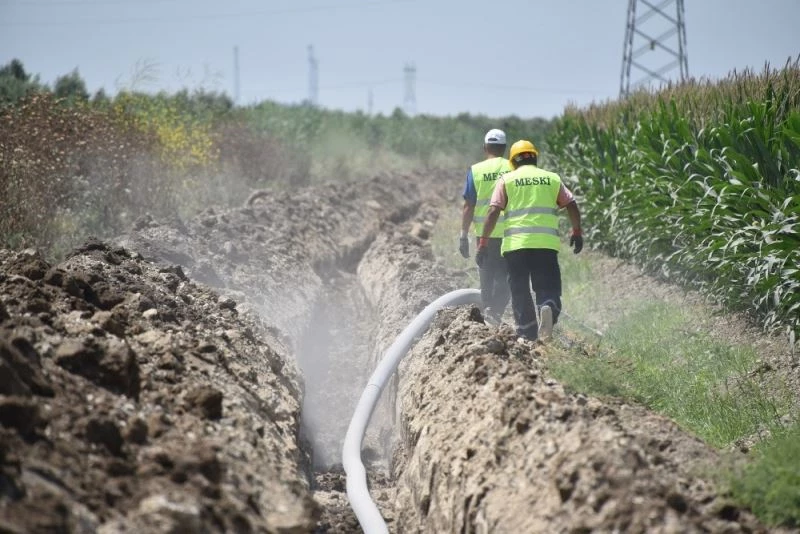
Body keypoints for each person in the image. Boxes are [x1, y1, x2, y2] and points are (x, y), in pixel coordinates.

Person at [476, 139, 583, 342]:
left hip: (515, 246)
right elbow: (571, 204)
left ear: (513, 161)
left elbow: (493, 212)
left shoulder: (506, 180)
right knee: (547, 286)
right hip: (545, 244)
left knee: (519, 289)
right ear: (534, 157)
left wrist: (483, 243)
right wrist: (576, 231)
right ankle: (547, 306)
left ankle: (527, 333)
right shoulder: (551, 178)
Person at [459, 128, 513, 323]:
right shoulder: (514, 168)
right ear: (504, 148)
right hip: (511, 234)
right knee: (506, 280)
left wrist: (463, 235)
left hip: (484, 235)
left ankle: (489, 312)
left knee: (486, 279)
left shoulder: (476, 170)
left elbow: (468, 206)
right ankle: (495, 313)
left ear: (485, 147)